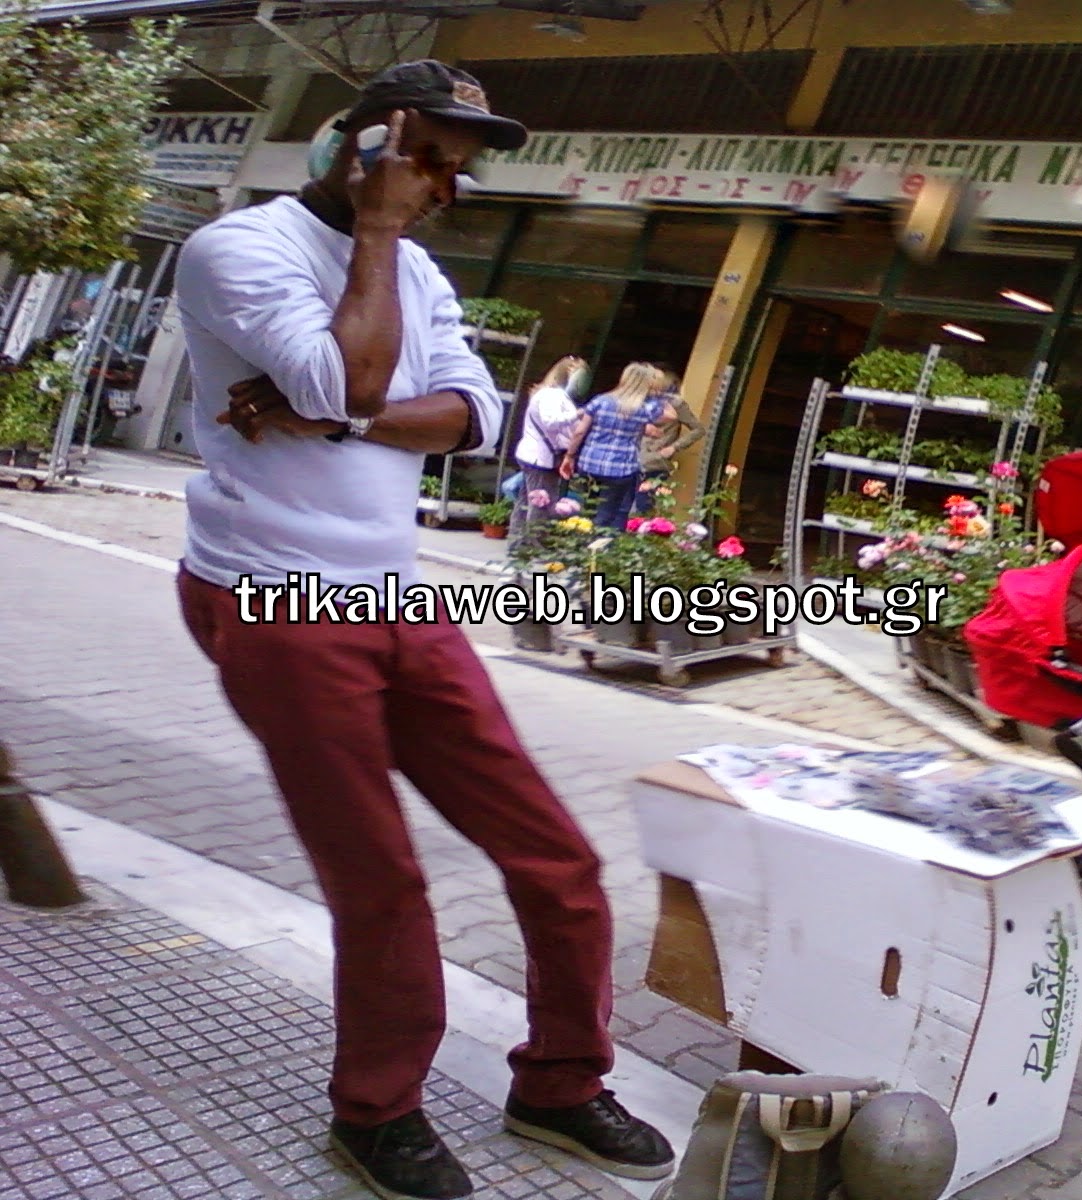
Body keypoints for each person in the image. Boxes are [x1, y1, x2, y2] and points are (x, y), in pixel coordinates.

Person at [168, 60, 673, 1200]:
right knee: (383, 882)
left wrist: (330, 416)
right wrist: (375, 246)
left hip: (397, 595)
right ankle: (376, 1111)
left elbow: (470, 417)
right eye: (427, 156)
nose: (444, 183)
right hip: (272, 594)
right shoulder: (236, 251)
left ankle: (558, 1082)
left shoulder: (428, 275)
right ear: (361, 148)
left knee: (560, 856)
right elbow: (345, 374)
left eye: (456, 163)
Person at [561, 362, 674, 530]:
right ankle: (598, 545)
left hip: (590, 463)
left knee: (589, 506)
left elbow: (579, 431)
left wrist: (569, 456)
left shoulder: (601, 401)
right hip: (622, 468)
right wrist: (659, 393)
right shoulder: (644, 409)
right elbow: (671, 415)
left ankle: (582, 536)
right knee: (609, 512)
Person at [509, 354, 587, 544]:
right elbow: (550, 422)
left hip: (536, 455)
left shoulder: (552, 394)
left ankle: (518, 543)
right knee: (541, 503)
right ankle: (532, 545)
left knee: (526, 501)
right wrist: (577, 414)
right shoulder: (551, 395)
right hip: (540, 458)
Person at [633, 365, 704, 514]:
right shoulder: (637, 400)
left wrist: (674, 447)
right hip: (629, 459)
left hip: (654, 462)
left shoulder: (675, 403)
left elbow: (698, 429)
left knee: (642, 507)